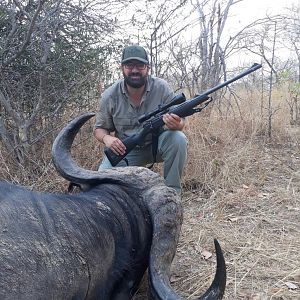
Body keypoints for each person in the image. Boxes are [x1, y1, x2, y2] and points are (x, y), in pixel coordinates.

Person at [94, 45, 188, 194]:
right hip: (125, 151)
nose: (135, 70)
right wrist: (107, 139)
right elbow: (99, 129)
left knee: (178, 138)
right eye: (129, 65)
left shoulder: (162, 88)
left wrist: (176, 125)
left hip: (156, 145)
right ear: (122, 68)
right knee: (99, 185)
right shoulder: (109, 95)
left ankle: (172, 193)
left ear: (148, 68)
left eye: (140, 65)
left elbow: (181, 122)